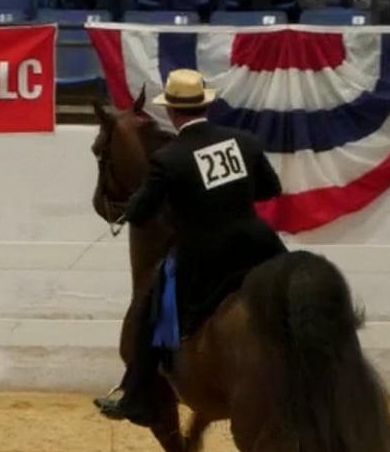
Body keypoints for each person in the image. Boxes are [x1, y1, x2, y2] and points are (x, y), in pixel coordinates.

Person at [94, 69, 287, 426]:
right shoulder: (242, 141)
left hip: (205, 254)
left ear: (171, 111)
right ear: (205, 105)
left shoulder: (169, 158)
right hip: (261, 245)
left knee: (148, 308)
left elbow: (140, 213)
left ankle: (136, 395)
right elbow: (269, 188)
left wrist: (135, 204)